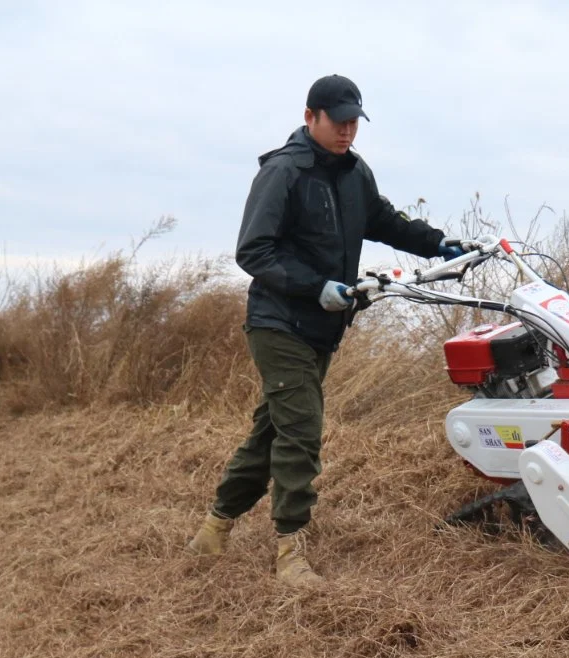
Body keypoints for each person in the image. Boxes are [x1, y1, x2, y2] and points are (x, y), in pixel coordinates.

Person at [186, 74, 465, 585]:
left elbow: (384, 220)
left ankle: (214, 528)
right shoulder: (283, 172)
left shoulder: (355, 174)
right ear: (310, 116)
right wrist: (315, 286)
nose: (347, 132)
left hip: (322, 328)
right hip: (278, 322)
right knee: (302, 431)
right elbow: (253, 251)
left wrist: (441, 244)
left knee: (273, 430)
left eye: (354, 122)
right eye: (338, 122)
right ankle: (291, 551)